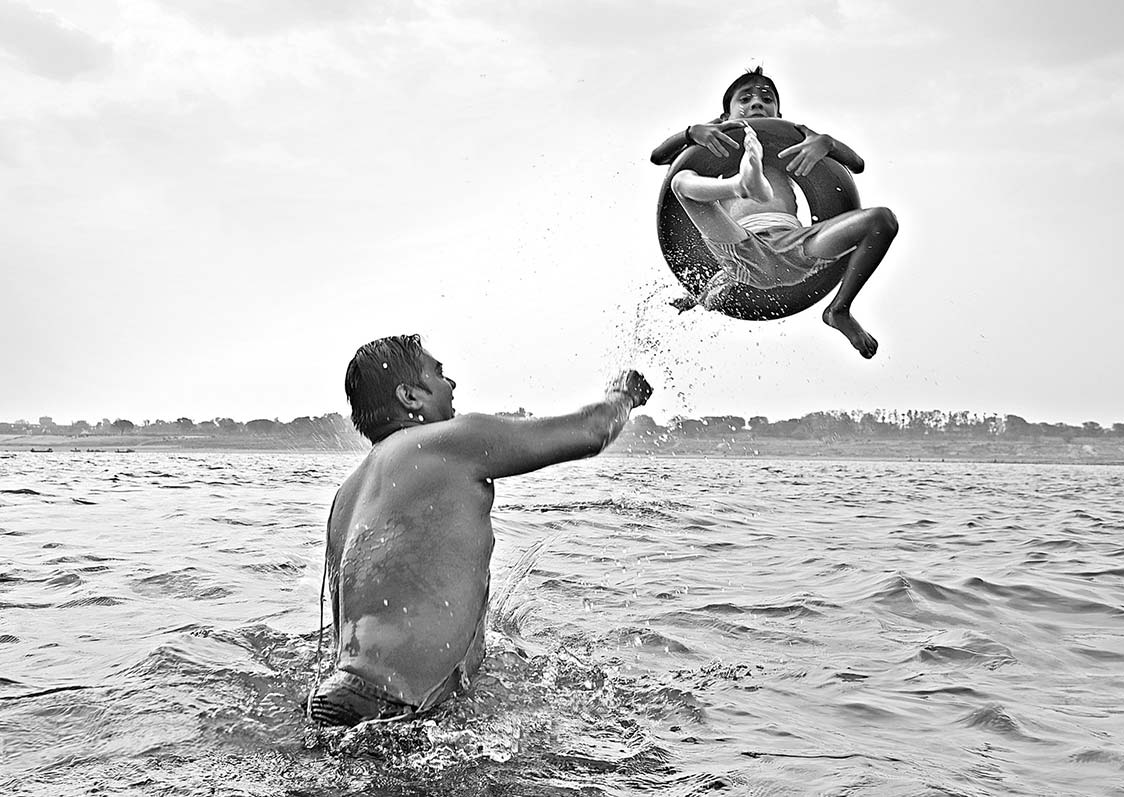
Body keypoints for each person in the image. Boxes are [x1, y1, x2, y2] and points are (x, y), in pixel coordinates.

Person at [307, 334, 652, 726]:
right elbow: (591, 432)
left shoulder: (346, 495)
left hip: (336, 699)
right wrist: (623, 394)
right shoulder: (446, 443)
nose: (451, 384)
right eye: (438, 374)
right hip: (397, 708)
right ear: (409, 396)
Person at [650, 67, 898, 359]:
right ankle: (741, 185)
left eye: (766, 99)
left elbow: (856, 164)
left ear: (778, 117)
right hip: (739, 246)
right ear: (724, 118)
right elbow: (659, 157)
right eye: (745, 99)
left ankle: (839, 309)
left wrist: (825, 143)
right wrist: (691, 133)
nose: (757, 103)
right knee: (681, 182)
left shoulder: (798, 140)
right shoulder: (713, 142)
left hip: (798, 245)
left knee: (883, 220)